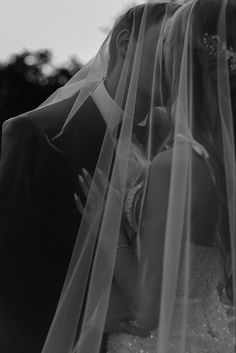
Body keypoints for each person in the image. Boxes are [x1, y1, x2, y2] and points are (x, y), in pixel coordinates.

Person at [0, 3, 179, 353]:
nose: (179, 61)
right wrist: (88, 312)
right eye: (171, 43)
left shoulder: (174, 150)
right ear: (126, 42)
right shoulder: (37, 136)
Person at [62, 0, 236, 352]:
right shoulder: (221, 161)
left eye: (169, 46)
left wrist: (108, 224)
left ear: (186, 64)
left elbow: (148, 308)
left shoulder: (176, 166)